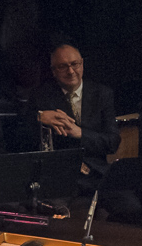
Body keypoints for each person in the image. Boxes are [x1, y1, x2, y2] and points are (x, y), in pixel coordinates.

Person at [31, 43, 120, 188]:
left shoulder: (102, 94)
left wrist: (80, 133)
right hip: (61, 175)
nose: (71, 71)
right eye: (63, 66)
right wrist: (39, 116)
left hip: (97, 173)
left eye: (75, 64)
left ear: (82, 64)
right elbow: (22, 132)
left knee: (131, 206)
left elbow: (112, 142)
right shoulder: (41, 96)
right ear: (53, 71)